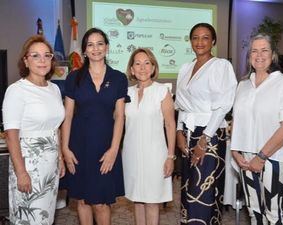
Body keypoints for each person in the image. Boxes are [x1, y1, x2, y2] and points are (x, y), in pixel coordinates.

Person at [61, 27, 128, 225]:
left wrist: (114, 150)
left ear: (107, 48)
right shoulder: (74, 78)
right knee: (82, 200)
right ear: (84, 50)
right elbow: (68, 115)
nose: (95, 48)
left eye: (100, 44)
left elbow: (120, 117)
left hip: (106, 148)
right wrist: (65, 148)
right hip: (78, 147)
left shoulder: (118, 78)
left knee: (101, 203)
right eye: (90, 45)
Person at [231, 33, 283, 225]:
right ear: (249, 56)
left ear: (273, 55)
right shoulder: (243, 85)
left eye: (264, 50)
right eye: (254, 50)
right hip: (245, 158)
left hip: (273, 159)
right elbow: (237, 120)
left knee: (274, 215)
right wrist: (235, 151)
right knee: (254, 213)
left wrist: (261, 157)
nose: (259, 55)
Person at [175, 23, 237, 224]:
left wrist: (204, 140)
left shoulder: (221, 66)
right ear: (190, 41)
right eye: (195, 37)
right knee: (188, 188)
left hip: (209, 133)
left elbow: (223, 106)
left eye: (205, 37)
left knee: (204, 191)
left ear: (213, 41)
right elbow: (182, 105)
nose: (199, 42)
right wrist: (178, 132)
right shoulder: (185, 67)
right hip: (188, 131)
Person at [2, 35, 65, 225]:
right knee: (29, 219)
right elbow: (11, 135)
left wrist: (60, 158)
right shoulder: (16, 90)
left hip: (51, 167)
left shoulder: (54, 89)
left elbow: (57, 128)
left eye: (47, 55)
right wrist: (21, 172)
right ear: (26, 61)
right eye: (36, 56)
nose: (43, 60)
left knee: (45, 218)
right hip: (29, 166)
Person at [122, 48, 176, 225]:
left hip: (156, 155)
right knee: (137, 200)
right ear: (131, 69)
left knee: (152, 201)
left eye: (147, 63)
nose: (142, 67)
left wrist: (170, 156)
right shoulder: (125, 93)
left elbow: (170, 125)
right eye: (137, 63)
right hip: (131, 154)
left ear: (153, 67)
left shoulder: (162, 91)